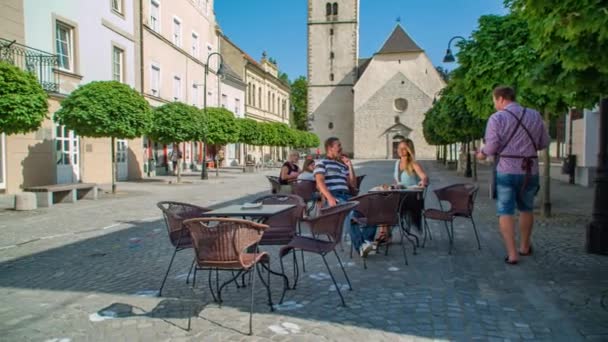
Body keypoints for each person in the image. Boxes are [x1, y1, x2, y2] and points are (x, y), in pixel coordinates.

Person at [476, 86, 549, 265]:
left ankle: (512, 253)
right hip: (530, 170)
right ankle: (524, 246)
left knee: (505, 211)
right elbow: (544, 143)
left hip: (507, 170)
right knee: (526, 208)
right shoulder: (535, 115)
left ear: (501, 98)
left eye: (494, 101)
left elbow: (492, 148)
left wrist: (481, 153)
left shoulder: (497, 118)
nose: (494, 105)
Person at [314, 137, 375, 257]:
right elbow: (319, 182)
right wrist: (330, 198)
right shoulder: (321, 163)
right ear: (330, 148)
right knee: (350, 214)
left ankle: (366, 241)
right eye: (338, 145)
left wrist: (349, 165)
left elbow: (352, 184)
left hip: (347, 197)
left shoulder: (341, 165)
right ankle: (361, 246)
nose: (341, 148)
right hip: (335, 197)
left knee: (371, 211)